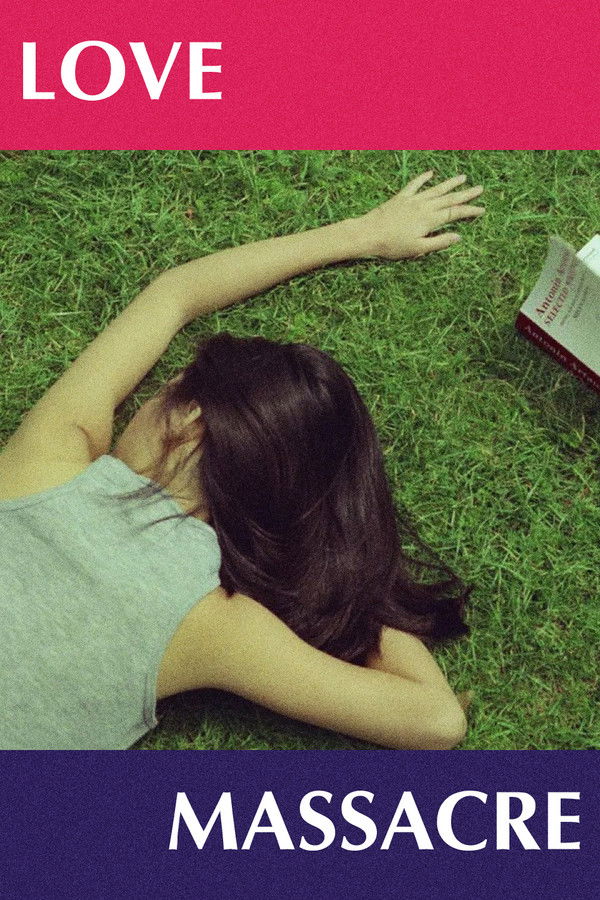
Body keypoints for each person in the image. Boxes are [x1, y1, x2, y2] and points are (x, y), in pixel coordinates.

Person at [0, 171, 485, 750]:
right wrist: (337, 557)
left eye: (163, 389)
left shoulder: (46, 463)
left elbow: (174, 294)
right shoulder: (214, 625)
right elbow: (437, 719)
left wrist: (363, 233)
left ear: (188, 418)